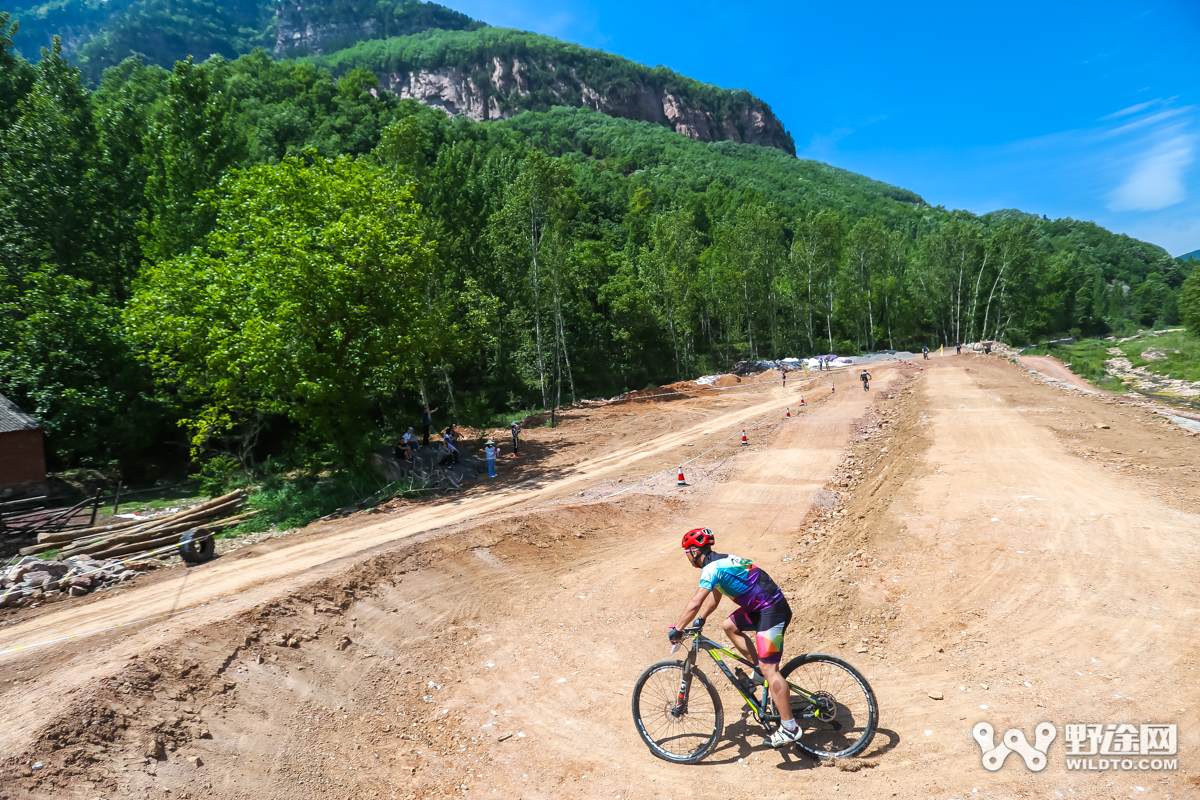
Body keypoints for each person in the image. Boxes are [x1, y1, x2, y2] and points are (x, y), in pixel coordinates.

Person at [669, 528, 799, 748]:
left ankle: (789, 728)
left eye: (686, 553)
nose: (687, 557)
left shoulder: (711, 568)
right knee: (729, 625)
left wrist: (678, 628)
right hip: (764, 607)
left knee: (771, 670)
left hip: (772, 611)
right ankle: (758, 670)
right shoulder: (723, 560)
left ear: (693, 551)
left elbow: (695, 601)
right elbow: (715, 596)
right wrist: (701, 619)